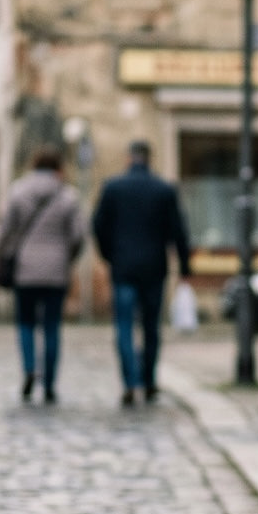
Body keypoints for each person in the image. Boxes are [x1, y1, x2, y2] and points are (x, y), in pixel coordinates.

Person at [91, 140, 191, 407]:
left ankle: (130, 381)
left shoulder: (113, 188)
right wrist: (184, 266)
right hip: (154, 268)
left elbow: (98, 226)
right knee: (150, 327)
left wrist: (109, 255)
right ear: (150, 159)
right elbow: (178, 231)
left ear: (128, 158)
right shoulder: (164, 189)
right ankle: (148, 381)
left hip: (123, 267)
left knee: (124, 326)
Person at [0, 145, 86, 404]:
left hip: (25, 269)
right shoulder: (68, 196)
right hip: (56, 271)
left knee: (25, 323)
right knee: (52, 326)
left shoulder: (18, 191)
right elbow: (78, 235)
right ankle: (50, 382)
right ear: (58, 168)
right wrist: (67, 257)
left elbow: (5, 231)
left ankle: (30, 369)